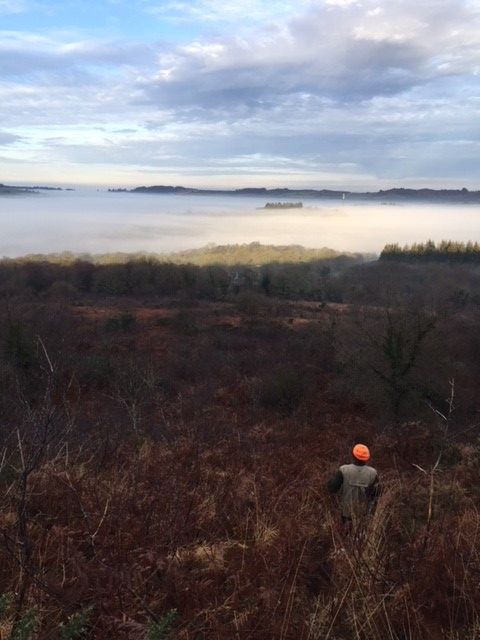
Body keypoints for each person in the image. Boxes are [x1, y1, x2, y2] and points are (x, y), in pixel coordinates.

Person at [327, 444, 380, 525]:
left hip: (346, 514)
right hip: (364, 515)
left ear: (353, 455)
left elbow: (332, 488)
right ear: (367, 458)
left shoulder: (344, 470)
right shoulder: (373, 473)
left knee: (345, 536)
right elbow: (377, 494)